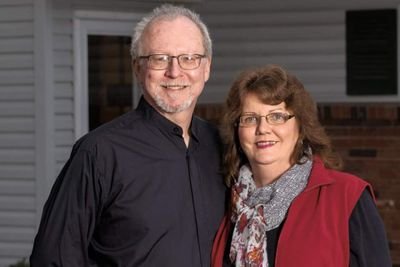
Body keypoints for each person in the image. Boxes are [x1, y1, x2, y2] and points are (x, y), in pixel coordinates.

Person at [30, 4, 226, 267]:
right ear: (137, 67)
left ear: (206, 68)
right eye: (159, 58)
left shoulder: (223, 146)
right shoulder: (99, 154)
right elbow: (53, 259)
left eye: (188, 58)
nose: (175, 72)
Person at [211, 65, 392, 267]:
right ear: (236, 130)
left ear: (301, 126)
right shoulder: (227, 206)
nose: (263, 129)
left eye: (277, 117)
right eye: (250, 119)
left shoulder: (348, 197)